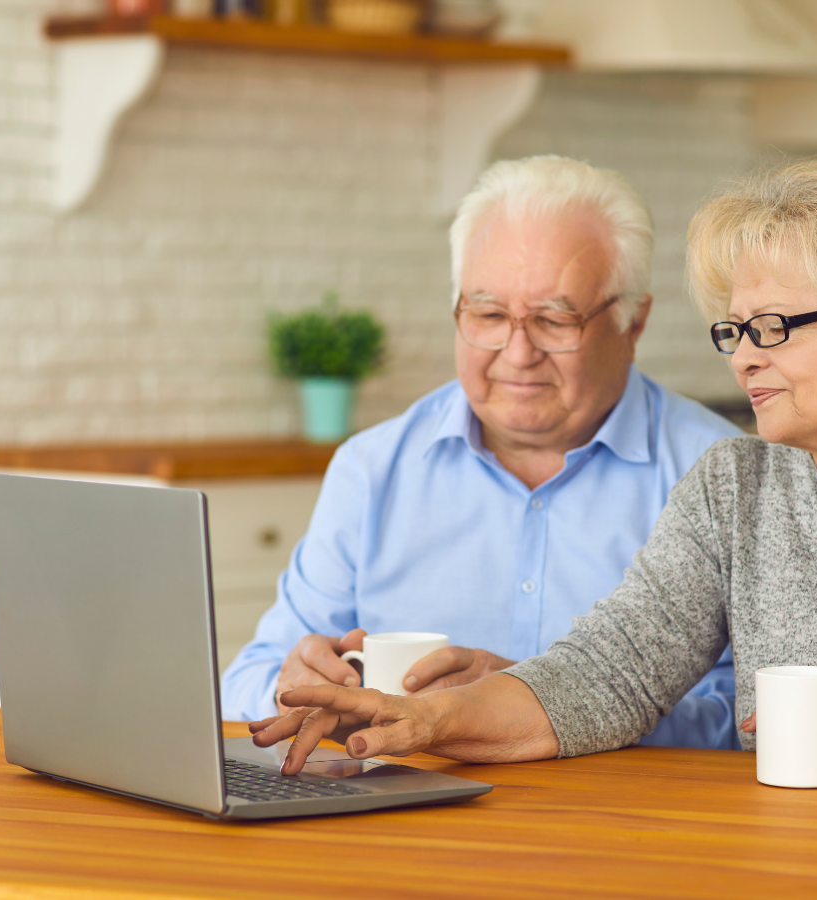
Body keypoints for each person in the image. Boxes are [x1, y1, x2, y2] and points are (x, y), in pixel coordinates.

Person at [251, 158, 817, 781]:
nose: (745, 360)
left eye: (773, 327)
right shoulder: (737, 485)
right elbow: (610, 673)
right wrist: (421, 718)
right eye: (734, 332)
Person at [222, 155, 743, 749]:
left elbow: (754, 720)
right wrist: (295, 686)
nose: (517, 353)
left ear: (634, 323)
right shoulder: (373, 469)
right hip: (403, 824)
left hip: (625, 828)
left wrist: (539, 707)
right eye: (489, 314)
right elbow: (243, 683)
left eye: (554, 319)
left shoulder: (722, 479)